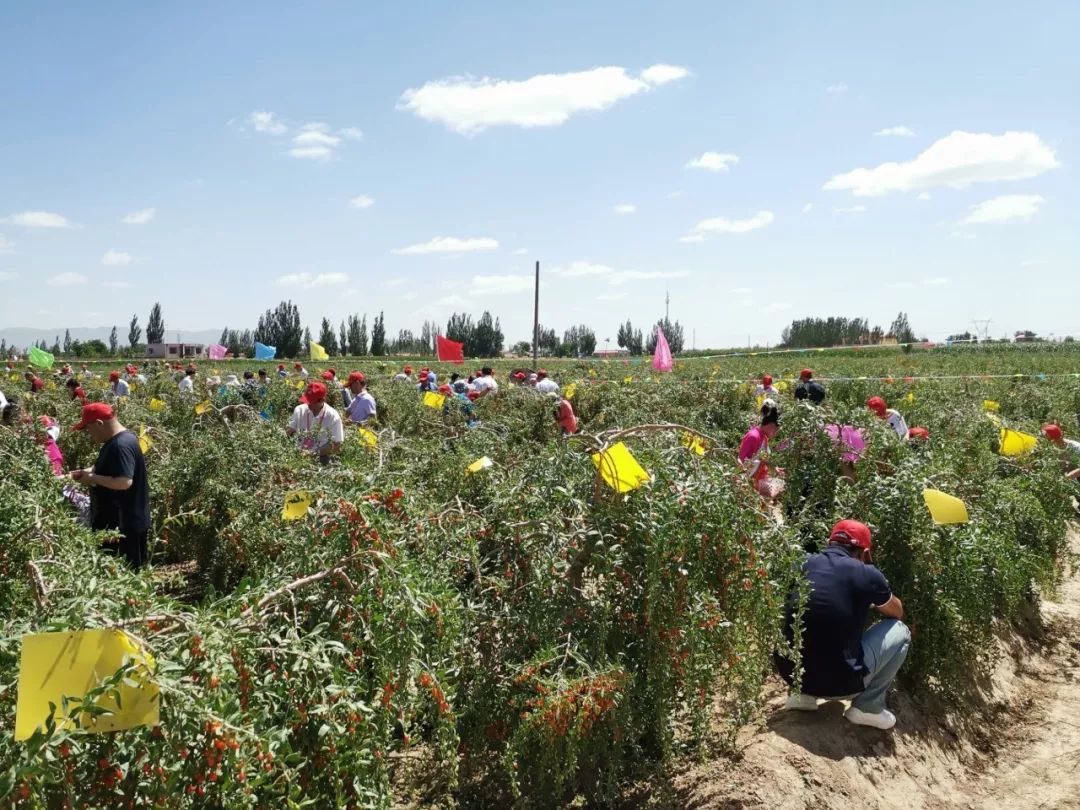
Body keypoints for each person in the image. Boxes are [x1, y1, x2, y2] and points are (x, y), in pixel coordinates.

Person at [776, 520, 910, 730]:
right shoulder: (867, 573)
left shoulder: (801, 562)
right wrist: (872, 589)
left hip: (791, 674)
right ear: (865, 552)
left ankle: (801, 695)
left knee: (803, 620)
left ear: (829, 542)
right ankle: (868, 707)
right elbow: (896, 612)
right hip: (841, 684)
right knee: (901, 631)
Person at [68, 402, 151, 569]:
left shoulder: (120, 445)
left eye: (88, 428)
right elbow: (105, 469)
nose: (88, 433)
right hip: (120, 524)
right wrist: (73, 476)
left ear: (99, 423)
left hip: (123, 527)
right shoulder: (121, 440)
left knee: (125, 576)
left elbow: (124, 481)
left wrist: (92, 478)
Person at [286, 382, 344, 464]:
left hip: (320, 456)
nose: (308, 404)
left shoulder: (333, 416)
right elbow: (290, 429)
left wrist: (313, 453)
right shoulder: (299, 410)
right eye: (307, 399)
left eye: (311, 401)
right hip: (298, 453)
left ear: (322, 400)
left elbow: (336, 445)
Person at [738, 399, 784, 498]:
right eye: (777, 430)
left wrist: (774, 468)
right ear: (771, 425)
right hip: (748, 484)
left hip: (757, 480)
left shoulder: (763, 437)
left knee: (782, 487)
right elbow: (741, 462)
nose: (776, 434)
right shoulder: (754, 436)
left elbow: (762, 457)